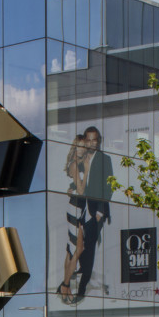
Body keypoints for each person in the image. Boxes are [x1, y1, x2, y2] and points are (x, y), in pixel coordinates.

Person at [57, 127, 113, 303]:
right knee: (77, 248)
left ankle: (79, 289)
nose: (90, 144)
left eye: (93, 140)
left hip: (93, 212)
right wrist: (74, 187)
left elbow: (108, 186)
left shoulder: (104, 159)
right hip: (79, 209)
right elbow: (81, 184)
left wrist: (99, 212)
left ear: (98, 141)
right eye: (87, 141)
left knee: (83, 250)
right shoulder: (80, 162)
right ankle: (67, 284)